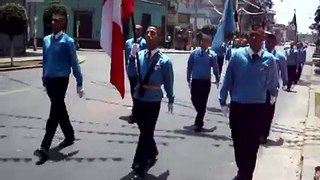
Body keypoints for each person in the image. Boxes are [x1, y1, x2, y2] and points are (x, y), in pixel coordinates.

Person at [219, 24, 279, 180]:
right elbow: (228, 79)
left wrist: (273, 95)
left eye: (256, 35)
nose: (253, 38)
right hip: (238, 107)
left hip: (257, 108)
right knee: (238, 141)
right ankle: (242, 169)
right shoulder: (237, 56)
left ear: (262, 39)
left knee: (252, 144)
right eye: (251, 34)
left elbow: (273, 83)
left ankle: (247, 174)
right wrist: (222, 100)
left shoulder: (269, 59)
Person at [34, 7, 84, 165]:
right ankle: (69, 135)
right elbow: (45, 59)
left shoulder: (68, 41)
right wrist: (43, 76)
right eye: (52, 20)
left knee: (54, 112)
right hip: (49, 79)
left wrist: (79, 82)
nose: (53, 22)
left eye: (57, 20)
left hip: (61, 80)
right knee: (59, 108)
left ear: (63, 23)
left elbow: (74, 63)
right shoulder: (47, 40)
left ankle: (44, 146)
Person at [128, 26, 174, 180]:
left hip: (153, 99)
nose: (149, 35)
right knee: (144, 130)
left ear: (158, 37)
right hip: (139, 97)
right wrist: (131, 57)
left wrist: (171, 98)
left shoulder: (164, 60)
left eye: (152, 33)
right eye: (147, 32)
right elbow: (131, 73)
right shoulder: (140, 55)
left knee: (146, 132)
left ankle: (138, 166)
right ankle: (153, 151)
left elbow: (168, 81)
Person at [187, 33, 220, 132]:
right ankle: (200, 113)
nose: (202, 42)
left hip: (205, 82)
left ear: (208, 42)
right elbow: (189, 66)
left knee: (203, 102)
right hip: (196, 81)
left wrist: (217, 78)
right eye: (201, 40)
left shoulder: (212, 55)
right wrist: (188, 78)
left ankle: (198, 123)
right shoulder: (194, 53)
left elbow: (215, 68)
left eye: (205, 40)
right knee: (194, 99)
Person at [260, 32, 288, 144]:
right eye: (267, 41)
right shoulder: (261, 55)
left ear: (275, 43)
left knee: (268, 113)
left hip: (272, 90)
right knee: (258, 112)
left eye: (271, 42)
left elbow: (284, 71)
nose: (268, 44)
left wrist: (285, 82)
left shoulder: (279, 57)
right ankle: (257, 133)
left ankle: (264, 134)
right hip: (260, 88)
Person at [125, 25, 147, 123]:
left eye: (139, 30)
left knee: (138, 92)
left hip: (141, 71)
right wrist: (127, 67)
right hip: (131, 70)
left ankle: (136, 111)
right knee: (133, 91)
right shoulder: (128, 42)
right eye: (135, 29)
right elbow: (126, 56)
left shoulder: (143, 43)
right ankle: (136, 109)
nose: (136, 31)